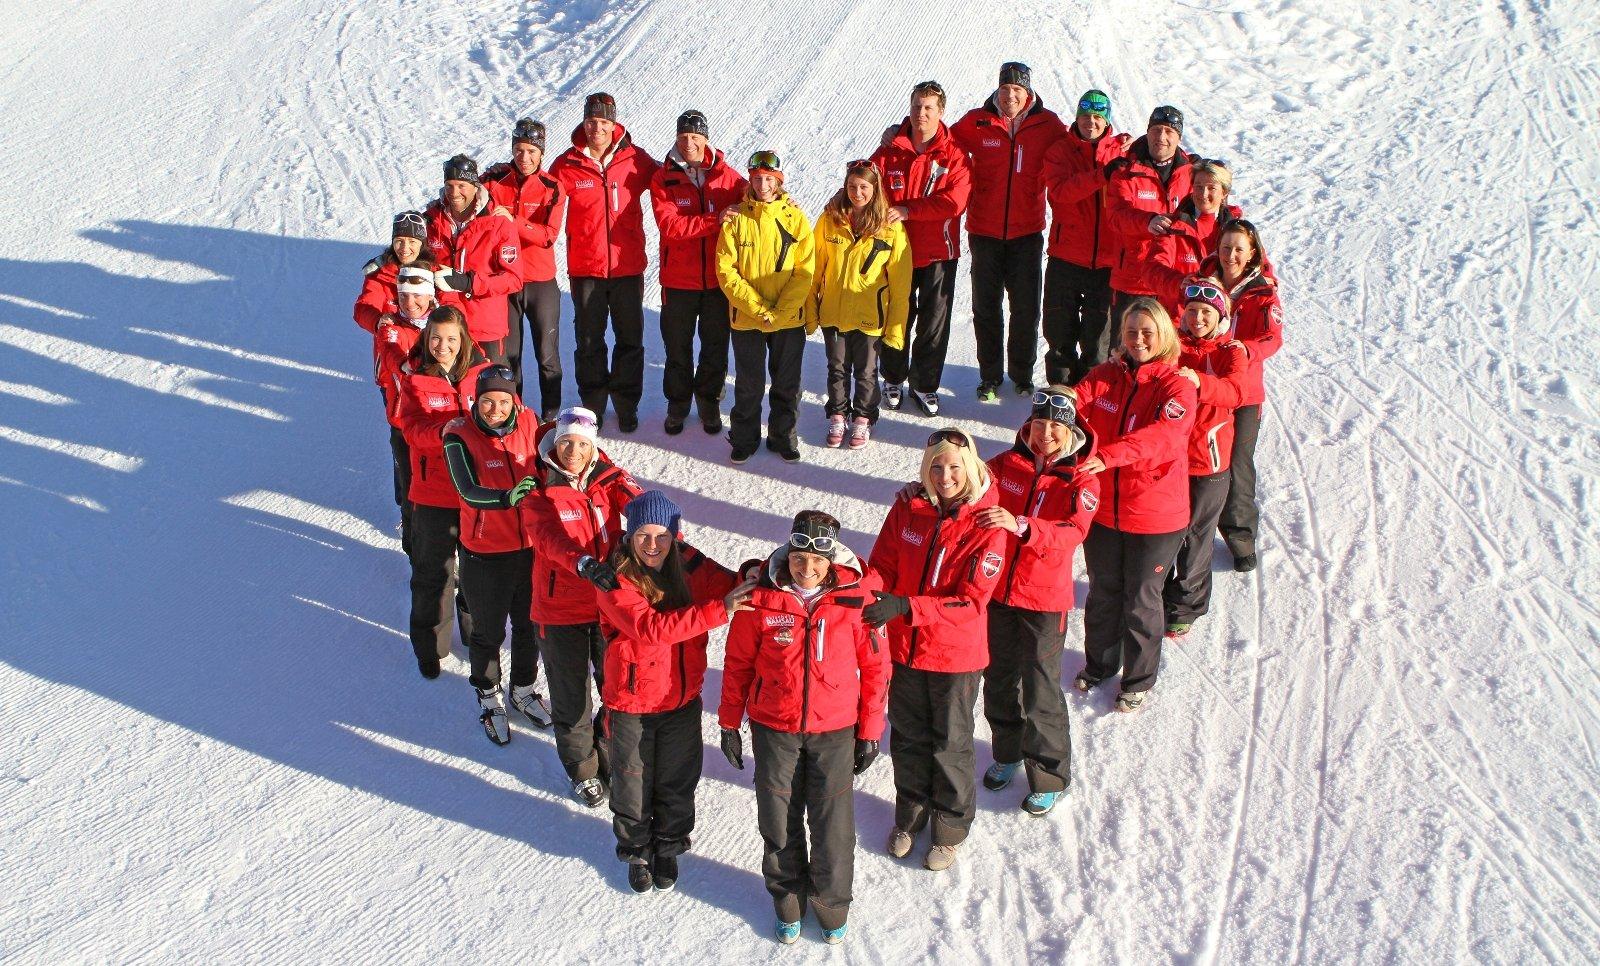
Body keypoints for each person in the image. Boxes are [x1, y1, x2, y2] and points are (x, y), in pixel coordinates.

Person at [719, 511, 891, 945]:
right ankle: (788, 900)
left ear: (832, 561)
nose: (807, 569)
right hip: (773, 727)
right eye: (799, 557)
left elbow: (875, 668)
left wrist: (870, 730)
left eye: (817, 561)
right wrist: (728, 722)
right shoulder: (760, 596)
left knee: (832, 825)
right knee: (778, 820)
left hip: (834, 729)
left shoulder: (856, 599)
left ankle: (832, 906)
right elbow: (737, 663)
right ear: (788, 553)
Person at [589, 491, 749, 895]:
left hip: (680, 701)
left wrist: (759, 570)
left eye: (661, 535)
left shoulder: (687, 562)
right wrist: (719, 610)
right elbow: (650, 630)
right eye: (642, 535)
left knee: (678, 780)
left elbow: (732, 583)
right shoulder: (613, 577)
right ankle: (637, 849)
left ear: (675, 534)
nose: (652, 545)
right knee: (632, 782)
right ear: (629, 536)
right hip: (632, 704)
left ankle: (668, 847)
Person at [866, 427, 1006, 871]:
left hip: (954, 657)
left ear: (971, 468)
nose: (945, 476)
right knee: (907, 738)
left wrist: (908, 606)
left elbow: (971, 601)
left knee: (949, 744)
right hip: (905, 651)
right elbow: (882, 566)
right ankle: (911, 814)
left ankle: (950, 827)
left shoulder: (987, 524)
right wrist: (861, 595)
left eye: (953, 467)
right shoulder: (909, 508)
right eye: (936, 467)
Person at [1068, 298, 1196, 713]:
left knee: (1141, 598)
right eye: (1130, 331)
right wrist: (1058, 403)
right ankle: (1100, 664)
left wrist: (1108, 456)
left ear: (1163, 336)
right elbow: (1078, 399)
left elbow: (1164, 437)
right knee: (1104, 591)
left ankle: (1138, 678)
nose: (1138, 339)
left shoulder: (1176, 385)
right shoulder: (1106, 376)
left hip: (1156, 516)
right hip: (1104, 509)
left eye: (1147, 332)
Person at [977, 387, 1099, 815]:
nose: (1045, 434)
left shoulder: (1081, 479)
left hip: (1043, 600)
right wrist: (923, 490)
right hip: (996, 593)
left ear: (1071, 432)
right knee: (998, 679)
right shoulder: (1004, 465)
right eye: (1039, 424)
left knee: (1041, 687)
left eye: (1055, 427)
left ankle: (1050, 772)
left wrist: (1024, 526)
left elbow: (1072, 533)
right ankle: (1007, 752)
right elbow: (965, 486)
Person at [522, 407, 644, 806]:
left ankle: (607, 753)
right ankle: (582, 768)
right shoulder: (537, 484)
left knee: (617, 690)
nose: (573, 452)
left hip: (608, 608)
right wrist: (583, 563)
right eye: (566, 443)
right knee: (571, 697)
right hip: (559, 611)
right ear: (554, 444)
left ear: (594, 448)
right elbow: (546, 537)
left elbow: (641, 508)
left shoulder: (606, 480)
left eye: (582, 445)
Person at [441, 364, 553, 745]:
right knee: (487, 632)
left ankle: (522, 690)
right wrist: (507, 499)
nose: (495, 409)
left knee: (529, 626)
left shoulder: (529, 423)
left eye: (503, 401)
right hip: (485, 553)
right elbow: (466, 489)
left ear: (514, 400)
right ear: (477, 399)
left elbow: (550, 462)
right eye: (488, 401)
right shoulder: (459, 435)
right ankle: (489, 696)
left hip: (530, 550)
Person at [950, 62, 1066, 401]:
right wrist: (900, 129)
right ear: (997, 90)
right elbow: (943, 141)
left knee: (1026, 308)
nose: (1010, 95)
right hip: (984, 232)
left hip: (1026, 233)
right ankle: (989, 376)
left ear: (1028, 92)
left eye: (1017, 89)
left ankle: (1021, 374)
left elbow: (1079, 145)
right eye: (1005, 89)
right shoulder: (978, 120)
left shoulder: (1048, 124)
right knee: (986, 307)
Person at [549, 93, 660, 432]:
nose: (597, 127)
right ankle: (593, 405)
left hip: (627, 268)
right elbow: (539, 192)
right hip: (586, 269)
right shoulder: (567, 163)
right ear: (584, 123)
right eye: (592, 121)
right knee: (589, 340)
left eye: (604, 122)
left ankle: (627, 405)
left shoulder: (635, 159)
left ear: (614, 125)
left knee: (630, 339)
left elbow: (669, 181)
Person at [393, 306, 487, 679]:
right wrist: (445, 430)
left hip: (477, 494)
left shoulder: (483, 374)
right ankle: (430, 647)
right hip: (433, 494)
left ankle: (477, 636)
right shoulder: (414, 380)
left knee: (478, 573)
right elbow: (410, 429)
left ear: (463, 338)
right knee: (433, 573)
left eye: (450, 338)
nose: (442, 346)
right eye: (435, 337)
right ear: (425, 338)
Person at [869, 80, 972, 417]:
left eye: (928, 108)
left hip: (938, 252)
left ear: (941, 113)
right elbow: (867, 186)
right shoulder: (890, 148)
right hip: (896, 251)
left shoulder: (953, 154)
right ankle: (893, 377)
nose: (921, 113)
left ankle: (925, 384)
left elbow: (954, 201)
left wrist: (910, 210)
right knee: (896, 315)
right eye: (916, 106)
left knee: (933, 323)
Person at [649, 110, 748, 435]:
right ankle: (677, 407)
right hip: (678, 281)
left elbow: (759, 198)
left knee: (715, 347)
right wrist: (715, 220)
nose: (689, 142)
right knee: (677, 348)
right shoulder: (664, 178)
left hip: (717, 281)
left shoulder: (727, 177)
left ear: (706, 139)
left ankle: (709, 405)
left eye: (695, 137)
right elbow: (670, 226)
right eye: (683, 137)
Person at [715, 150, 815, 465]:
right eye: (757, 178)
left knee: (787, 384)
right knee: (749, 383)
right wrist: (758, 308)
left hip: (788, 319)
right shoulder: (737, 218)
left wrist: (781, 311)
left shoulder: (795, 217)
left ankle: (783, 436)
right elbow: (726, 270)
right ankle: (745, 438)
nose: (763, 184)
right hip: (747, 318)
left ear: (778, 181)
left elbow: (804, 271)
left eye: (769, 178)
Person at [1161, 280, 1248, 636]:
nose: (1197, 318)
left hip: (1208, 463)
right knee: (1165, 531)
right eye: (1193, 310)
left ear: (1220, 318)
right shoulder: (1172, 345)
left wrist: (1198, 380)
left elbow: (1236, 391)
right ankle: (1157, 593)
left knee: (1197, 536)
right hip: (1169, 457)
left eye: (1206, 313)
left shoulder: (1230, 351)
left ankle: (1187, 604)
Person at [807, 159, 910, 449]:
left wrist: (896, 329)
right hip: (834, 312)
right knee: (837, 367)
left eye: (864, 187)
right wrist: (811, 310)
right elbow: (814, 267)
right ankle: (838, 413)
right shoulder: (830, 219)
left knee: (866, 371)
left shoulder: (890, 228)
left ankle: (863, 418)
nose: (857, 193)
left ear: (875, 189)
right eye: (852, 186)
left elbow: (901, 283)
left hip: (869, 315)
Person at [1039, 90, 1130, 385]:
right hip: (1065, 257)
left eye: (1097, 117)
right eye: (1085, 116)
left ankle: (1088, 400)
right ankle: (1059, 395)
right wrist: (1101, 175)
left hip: (1106, 263)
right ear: (1076, 117)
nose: (1090, 122)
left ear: (1106, 121)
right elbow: (1061, 193)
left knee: (1098, 339)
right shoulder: (1060, 151)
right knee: (1059, 333)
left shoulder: (1123, 153)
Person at [1209, 221, 1282, 572]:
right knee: (1201, 463)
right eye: (1226, 247)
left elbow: (1272, 337)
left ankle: (1240, 536)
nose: (1231, 255)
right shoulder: (1201, 284)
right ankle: (1191, 531)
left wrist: (1246, 350)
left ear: (1252, 252)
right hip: (1205, 386)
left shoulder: (1263, 292)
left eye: (1239, 249)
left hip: (1243, 393)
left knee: (1238, 463)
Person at [482, 119, 566, 420]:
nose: (525, 158)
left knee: (547, 352)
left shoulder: (552, 186)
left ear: (542, 153)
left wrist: (513, 220)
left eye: (532, 151)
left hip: (540, 280)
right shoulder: (494, 181)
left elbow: (547, 236)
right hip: (505, 280)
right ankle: (512, 414)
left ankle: (551, 415)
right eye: (519, 150)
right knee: (507, 356)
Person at [421, 155, 523, 361]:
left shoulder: (498, 223)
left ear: (475, 186)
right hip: (445, 329)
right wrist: (385, 259)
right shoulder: (432, 219)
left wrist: (469, 282)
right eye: (449, 185)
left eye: (461, 185)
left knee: (491, 390)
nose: (454, 193)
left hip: (485, 327)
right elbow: (408, 249)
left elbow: (513, 279)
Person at [1104, 106, 1196, 323]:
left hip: (1174, 282)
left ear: (1179, 137)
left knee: (1171, 355)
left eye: (1169, 131)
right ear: (1147, 132)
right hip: (1133, 281)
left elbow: (1211, 204)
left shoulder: (1191, 174)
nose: (1161, 137)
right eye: (1156, 130)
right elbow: (1116, 216)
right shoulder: (1126, 171)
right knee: (1125, 353)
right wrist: (1147, 222)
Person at [373, 264, 441, 554]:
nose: (409, 303)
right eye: (403, 297)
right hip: (405, 422)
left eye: (416, 296)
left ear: (429, 296)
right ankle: (414, 547)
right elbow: (390, 355)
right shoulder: (391, 328)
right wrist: (406, 365)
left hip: (441, 419)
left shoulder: (445, 325)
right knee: (411, 484)